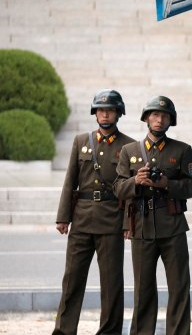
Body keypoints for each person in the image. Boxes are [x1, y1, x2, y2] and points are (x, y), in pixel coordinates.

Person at [113, 95, 192, 334]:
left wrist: (167, 184)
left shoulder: (182, 150)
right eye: (154, 115)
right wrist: (135, 181)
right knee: (143, 290)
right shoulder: (129, 151)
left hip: (173, 227)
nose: (159, 120)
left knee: (179, 288)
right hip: (141, 227)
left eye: (164, 116)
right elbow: (118, 188)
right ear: (146, 119)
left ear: (170, 120)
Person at [53, 89, 135, 334]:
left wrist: (127, 223)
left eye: (110, 110)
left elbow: (129, 190)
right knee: (71, 281)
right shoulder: (81, 141)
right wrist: (63, 217)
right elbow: (70, 181)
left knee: (111, 284)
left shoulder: (129, 146)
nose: (105, 114)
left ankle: (109, 331)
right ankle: (64, 331)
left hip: (111, 221)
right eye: (101, 110)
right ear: (95, 113)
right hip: (81, 220)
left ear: (118, 113)